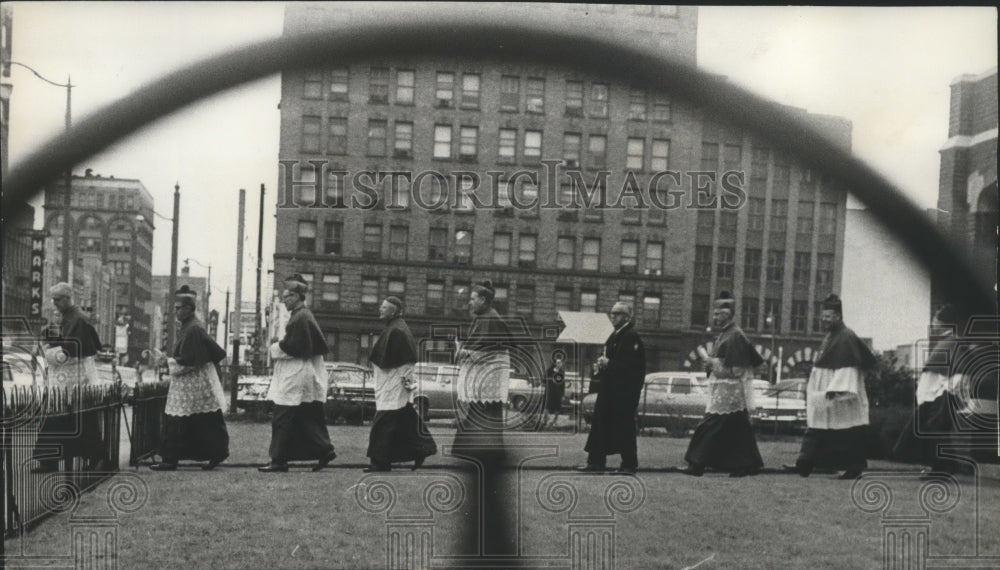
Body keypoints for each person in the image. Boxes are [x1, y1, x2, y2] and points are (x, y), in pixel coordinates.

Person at [789, 294, 877, 480]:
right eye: (823, 316)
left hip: (841, 393)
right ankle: (805, 462)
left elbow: (849, 367)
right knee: (818, 424)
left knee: (846, 430)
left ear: (838, 316)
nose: (824, 320)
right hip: (826, 389)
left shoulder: (846, 336)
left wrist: (837, 389)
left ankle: (851, 467)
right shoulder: (831, 335)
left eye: (828, 316)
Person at [680, 291, 765, 477]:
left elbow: (737, 370)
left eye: (718, 314)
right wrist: (712, 362)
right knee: (739, 428)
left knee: (709, 425)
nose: (714, 317)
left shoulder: (734, 336)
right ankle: (747, 464)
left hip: (728, 390)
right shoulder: (727, 334)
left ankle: (696, 464)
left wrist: (712, 363)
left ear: (727, 314)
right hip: (725, 389)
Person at [259, 274, 337, 472]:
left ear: (296, 296)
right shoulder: (302, 316)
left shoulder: (300, 317)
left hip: (294, 374)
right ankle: (324, 450)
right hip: (299, 373)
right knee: (304, 417)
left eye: (287, 296)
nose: (284, 300)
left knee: (282, 418)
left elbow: (292, 347)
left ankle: (278, 460)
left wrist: (274, 347)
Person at [151, 286, 230, 471]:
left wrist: (167, 361)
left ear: (188, 308)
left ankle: (170, 460)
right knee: (204, 420)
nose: (175, 311)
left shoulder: (193, 329)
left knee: (180, 420)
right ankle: (214, 454)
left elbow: (188, 361)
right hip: (194, 383)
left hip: (192, 382)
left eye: (178, 308)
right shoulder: (190, 326)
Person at [32, 282, 108, 473]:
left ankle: (93, 458)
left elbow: (71, 352)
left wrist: (47, 352)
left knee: (81, 422)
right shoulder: (69, 317)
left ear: (67, 298)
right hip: (63, 380)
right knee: (58, 420)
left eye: (57, 299)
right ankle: (49, 461)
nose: (54, 303)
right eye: (53, 299)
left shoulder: (78, 319)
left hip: (73, 379)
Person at [365, 296, 437, 472]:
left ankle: (380, 462)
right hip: (395, 380)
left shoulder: (396, 330)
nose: (380, 309)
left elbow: (398, 361)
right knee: (404, 417)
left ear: (394, 311)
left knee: (383, 420)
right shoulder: (396, 327)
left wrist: (401, 381)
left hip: (393, 381)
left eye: (384, 307)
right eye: (381, 306)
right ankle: (422, 448)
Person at [891, 304, 964, 477]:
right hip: (938, 395)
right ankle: (946, 466)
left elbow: (953, 373)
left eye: (935, 320)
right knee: (933, 431)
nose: (933, 324)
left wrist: (942, 393)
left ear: (944, 323)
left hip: (940, 394)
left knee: (935, 431)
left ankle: (941, 469)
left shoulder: (951, 343)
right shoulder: (949, 343)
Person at [579, 302, 646, 474]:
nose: (612, 316)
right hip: (611, 389)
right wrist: (602, 365)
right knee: (601, 423)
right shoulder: (616, 335)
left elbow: (633, 367)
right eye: (612, 313)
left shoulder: (630, 336)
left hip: (624, 392)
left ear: (626, 316)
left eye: (617, 313)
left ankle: (629, 465)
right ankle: (595, 461)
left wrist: (609, 363)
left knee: (624, 427)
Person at [453, 280, 513, 459]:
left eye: (473, 299)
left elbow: (484, 353)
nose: (470, 302)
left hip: (487, 380)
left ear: (483, 300)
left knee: (484, 415)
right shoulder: (484, 317)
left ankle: (483, 453)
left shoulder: (490, 319)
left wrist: (461, 350)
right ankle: (475, 452)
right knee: (482, 414)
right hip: (484, 378)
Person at [541, 353, 566, 430]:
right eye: (558, 362)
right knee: (547, 406)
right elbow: (544, 380)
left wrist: (563, 394)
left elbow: (563, 384)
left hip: (558, 392)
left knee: (557, 407)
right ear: (555, 363)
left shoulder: (562, 372)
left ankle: (554, 422)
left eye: (560, 363)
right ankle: (544, 421)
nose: (559, 364)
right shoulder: (549, 370)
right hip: (549, 391)